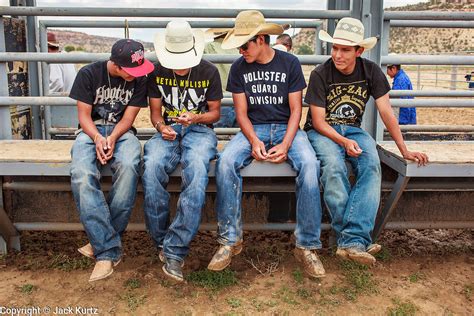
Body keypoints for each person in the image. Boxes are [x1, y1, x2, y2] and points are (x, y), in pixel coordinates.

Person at [207, 10, 326, 278]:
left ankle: (306, 245)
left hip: (287, 128)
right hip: (254, 128)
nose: (241, 50)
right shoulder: (239, 67)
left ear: (261, 39)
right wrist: (253, 140)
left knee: (309, 164)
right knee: (226, 162)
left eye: (245, 44)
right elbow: (240, 114)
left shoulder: (289, 63)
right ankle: (230, 239)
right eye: (238, 45)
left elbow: (296, 110)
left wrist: (285, 144)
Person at [304, 17, 429, 265]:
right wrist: (342, 142)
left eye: (345, 50)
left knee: (371, 166)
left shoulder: (370, 71)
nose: (338, 55)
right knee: (334, 167)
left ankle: (350, 242)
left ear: (359, 51)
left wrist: (404, 149)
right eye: (335, 48)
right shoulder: (321, 74)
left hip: (353, 129)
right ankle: (353, 241)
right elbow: (318, 121)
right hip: (323, 131)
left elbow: (386, 112)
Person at [143, 20, 222, 282]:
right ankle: (162, 241)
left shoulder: (208, 71)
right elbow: (155, 114)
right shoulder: (155, 71)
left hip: (199, 131)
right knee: (152, 166)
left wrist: (196, 119)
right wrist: (161, 126)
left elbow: (215, 114)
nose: (177, 65)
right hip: (167, 130)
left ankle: (175, 250)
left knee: (197, 171)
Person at [70, 39, 154, 282]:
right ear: (116, 65)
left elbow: (129, 118)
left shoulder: (139, 78)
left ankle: (102, 242)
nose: (137, 74)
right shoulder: (88, 74)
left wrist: (113, 137)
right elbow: (83, 115)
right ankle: (108, 249)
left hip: (123, 132)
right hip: (90, 131)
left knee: (129, 166)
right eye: (132, 70)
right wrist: (97, 137)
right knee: (82, 174)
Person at [204, 28, 239, 128]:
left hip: (219, 98)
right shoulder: (238, 48)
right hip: (238, 98)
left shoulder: (209, 47)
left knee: (219, 134)